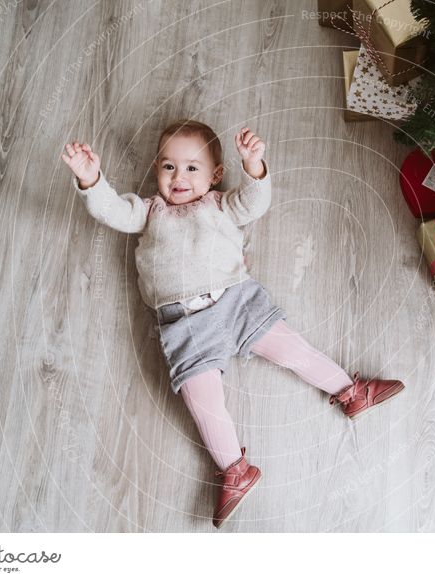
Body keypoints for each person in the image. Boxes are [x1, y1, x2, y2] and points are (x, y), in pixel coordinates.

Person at [61, 120, 405, 528]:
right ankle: (235, 471)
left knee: (293, 349)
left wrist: (255, 166)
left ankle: (351, 392)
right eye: (169, 167)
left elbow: (255, 202)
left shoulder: (219, 204)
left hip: (236, 300)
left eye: (192, 168)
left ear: (216, 175)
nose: (179, 177)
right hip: (185, 325)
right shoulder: (149, 211)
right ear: (156, 170)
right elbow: (112, 210)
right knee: (202, 402)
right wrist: (91, 179)